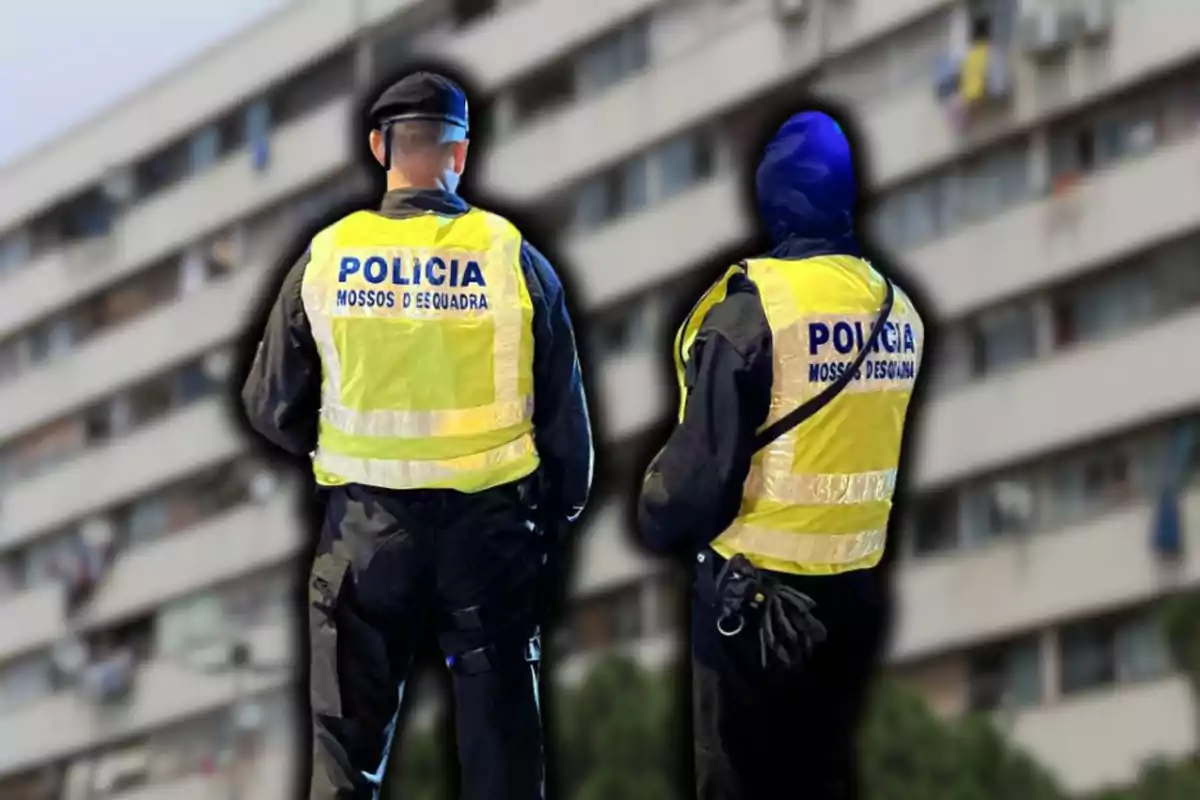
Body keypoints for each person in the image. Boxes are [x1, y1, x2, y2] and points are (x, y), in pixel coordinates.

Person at [240, 71, 593, 800]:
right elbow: (568, 435)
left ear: (380, 147)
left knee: (346, 764)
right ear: (460, 154)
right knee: (503, 764)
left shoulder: (329, 257)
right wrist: (549, 528)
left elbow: (267, 405)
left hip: (366, 537)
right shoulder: (512, 257)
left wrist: (336, 442)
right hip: (491, 537)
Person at [636, 110, 926, 799]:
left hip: (756, 606)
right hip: (852, 603)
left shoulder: (754, 311)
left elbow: (695, 487)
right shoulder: (897, 310)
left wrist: (654, 512)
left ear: (772, 199)